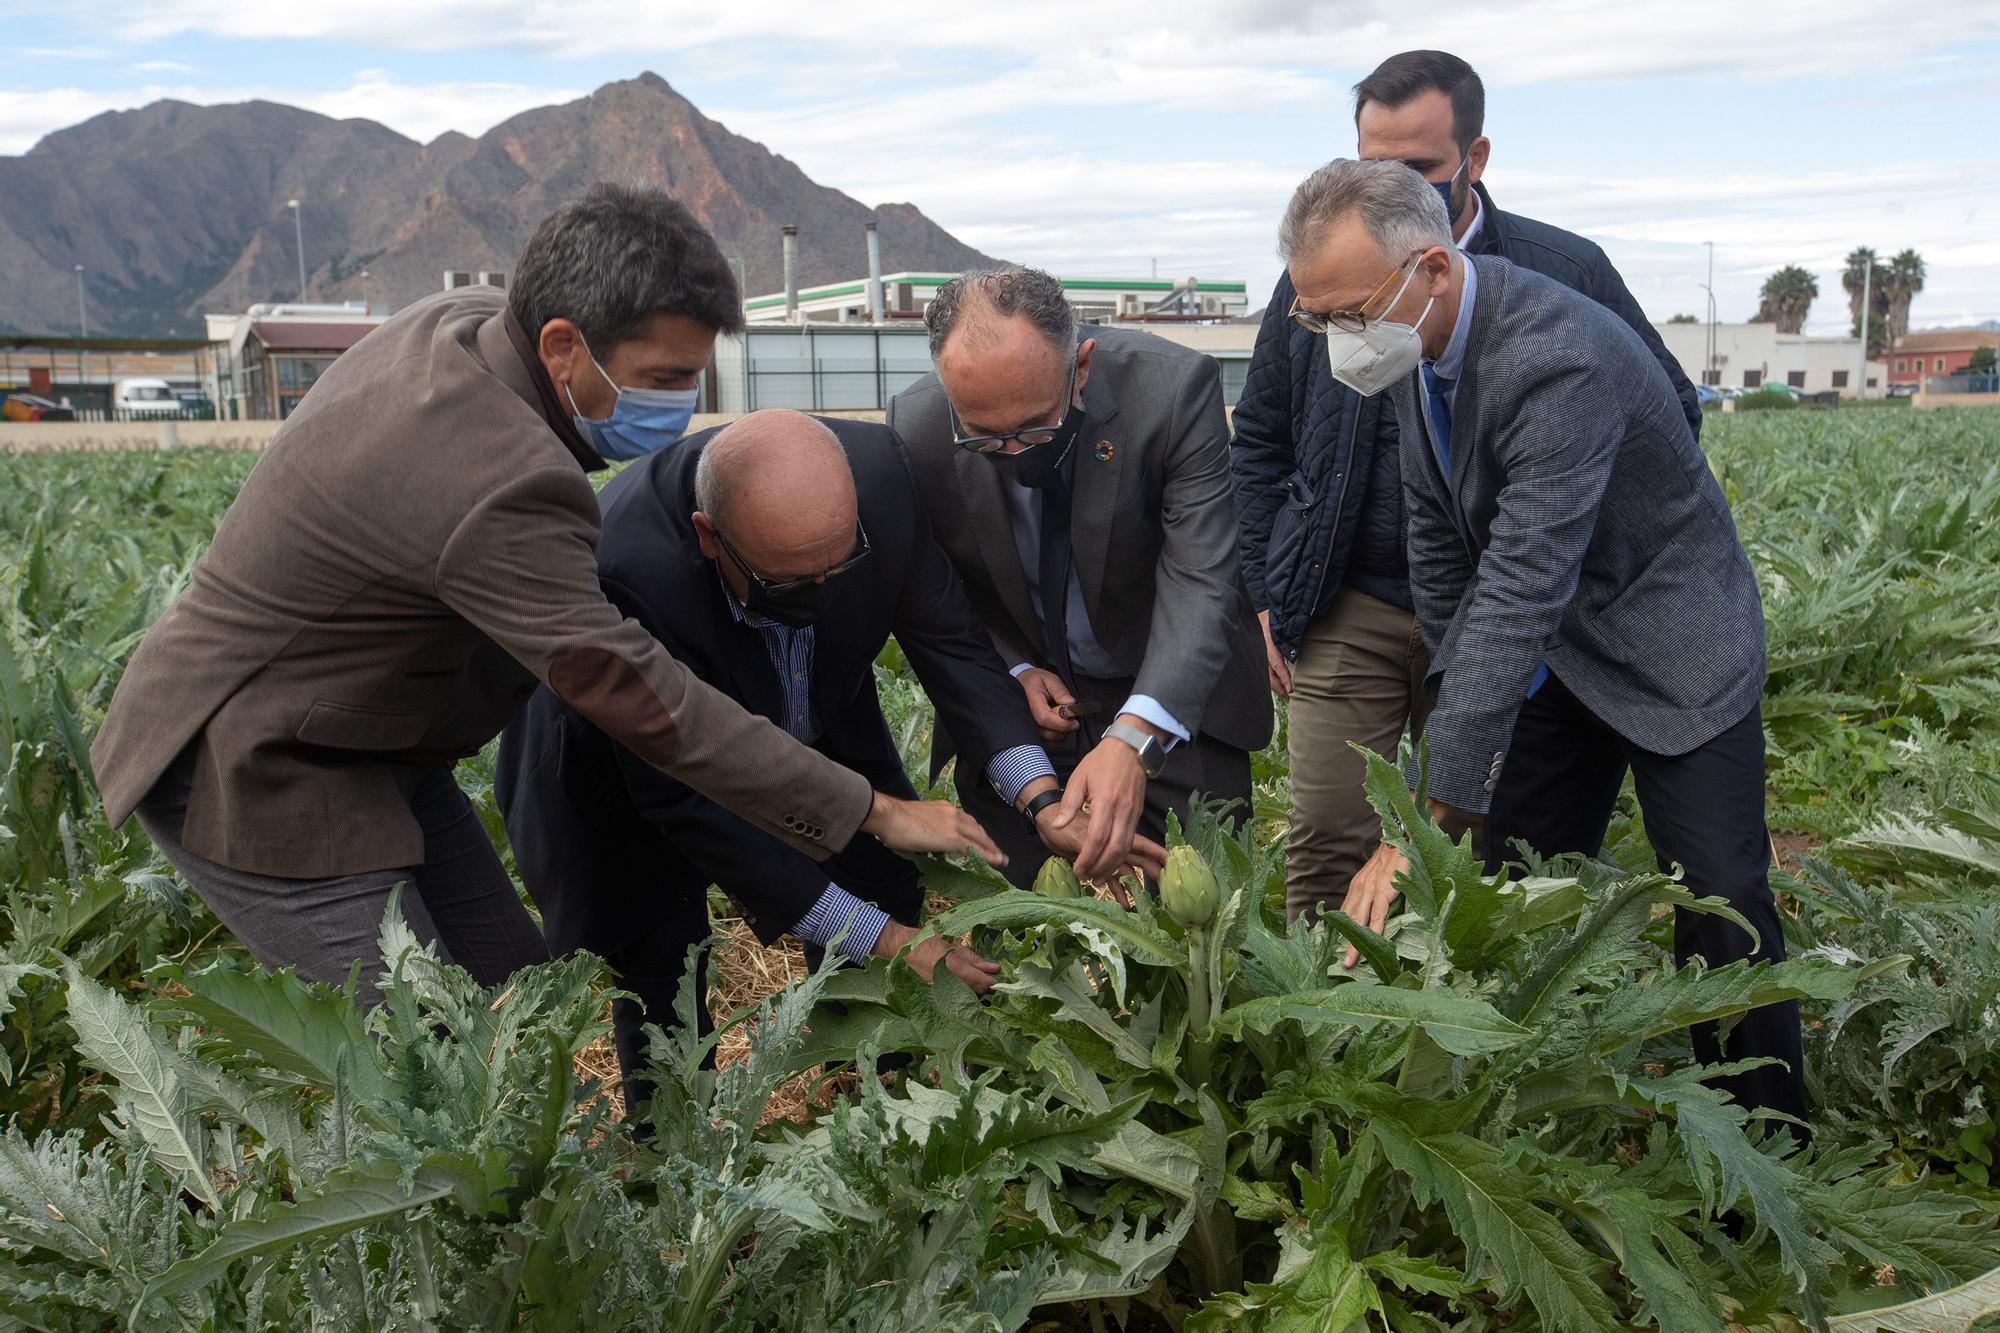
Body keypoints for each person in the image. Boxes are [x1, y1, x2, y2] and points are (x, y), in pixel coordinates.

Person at [90, 184, 1001, 1005]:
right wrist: (870, 807)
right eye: (663, 379)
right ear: (564, 345)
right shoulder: (499, 481)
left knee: (519, 1011)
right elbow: (635, 694)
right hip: (260, 762)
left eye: (695, 374)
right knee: (426, 1078)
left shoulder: (476, 322)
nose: (685, 403)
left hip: (379, 740)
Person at [1276, 157, 1806, 1130]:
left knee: (1718, 891)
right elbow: (1443, 554)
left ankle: (1765, 1139)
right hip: (1552, 655)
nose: (1337, 340)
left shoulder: (1553, 356)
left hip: (1669, 641)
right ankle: (1515, 1109)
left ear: (1430, 266)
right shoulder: (1411, 342)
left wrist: (1412, 823)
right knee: (1510, 882)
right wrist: (1451, 732)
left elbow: (1518, 583)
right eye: (1319, 321)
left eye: (1346, 313)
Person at [497, 410, 1165, 1097]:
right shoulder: (628, 573)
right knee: (661, 963)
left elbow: (954, 647)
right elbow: (692, 801)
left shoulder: (879, 478)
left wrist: (1042, 800)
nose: (824, 593)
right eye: (791, 583)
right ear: (709, 539)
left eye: (840, 566)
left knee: (883, 878)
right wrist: (889, 942)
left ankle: (872, 1100)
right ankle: (671, 1154)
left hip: (822, 724)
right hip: (625, 774)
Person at [1232, 50, 1703, 924]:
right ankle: (1328, 1032)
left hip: (1526, 620)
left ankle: (1461, 1030)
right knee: (1331, 837)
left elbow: (1669, 413)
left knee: (1494, 844)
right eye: (1374, 166)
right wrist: (1265, 584)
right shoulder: (1319, 276)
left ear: (1474, 158)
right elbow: (1258, 439)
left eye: (1417, 169)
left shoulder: (1565, 271)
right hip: (1352, 598)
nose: (1392, 185)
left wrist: (1565, 538)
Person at [887, 267, 1271, 890]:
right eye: (983, 436)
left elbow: (1201, 578)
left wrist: (1138, 735)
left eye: (1036, 425)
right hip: (1024, 709)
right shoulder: (918, 426)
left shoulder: (1171, 392)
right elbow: (937, 587)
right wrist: (1010, 666)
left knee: (1201, 913)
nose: (1013, 453)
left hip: (1170, 691)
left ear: (1081, 368)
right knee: (1029, 934)